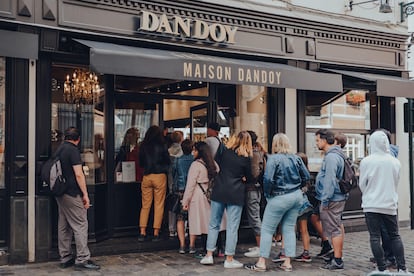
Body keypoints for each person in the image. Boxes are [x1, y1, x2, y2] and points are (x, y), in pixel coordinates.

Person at [245, 133, 309, 272]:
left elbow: (268, 179)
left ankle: (261, 263)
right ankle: (287, 262)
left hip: (279, 197)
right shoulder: (296, 158)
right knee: (289, 229)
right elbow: (307, 176)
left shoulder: (273, 159)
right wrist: (299, 188)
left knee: (267, 229)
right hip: (296, 196)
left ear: (275, 144)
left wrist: (268, 194)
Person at [200, 131, 253, 269]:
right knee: (232, 226)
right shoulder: (246, 158)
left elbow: (216, 166)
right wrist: (243, 178)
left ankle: (209, 255)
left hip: (219, 190)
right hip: (235, 193)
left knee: (213, 223)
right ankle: (229, 258)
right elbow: (251, 178)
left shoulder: (224, 152)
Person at [360, 130, 410, 274]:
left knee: (374, 236)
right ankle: (402, 268)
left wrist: (369, 193)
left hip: (371, 203)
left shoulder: (367, 161)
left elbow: (362, 184)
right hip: (389, 203)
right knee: (395, 235)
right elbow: (396, 180)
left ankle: (382, 269)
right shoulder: (395, 162)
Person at [54, 127, 100, 270]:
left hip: (60, 192)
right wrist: (85, 194)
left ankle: (65, 257)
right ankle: (82, 259)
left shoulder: (59, 149)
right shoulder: (73, 150)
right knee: (80, 224)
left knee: (64, 225)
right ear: (78, 139)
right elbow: (79, 174)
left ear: (65, 137)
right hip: (72, 193)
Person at [182, 142, 225, 255]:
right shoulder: (213, 163)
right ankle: (220, 248)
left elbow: (190, 185)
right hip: (213, 194)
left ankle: (207, 249)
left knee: (204, 224)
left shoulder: (195, 165)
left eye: (194, 150)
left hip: (200, 194)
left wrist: (185, 201)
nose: (193, 152)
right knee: (215, 222)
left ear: (199, 151)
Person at [314, 129, 347, 270]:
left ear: (324, 140)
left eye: (317, 140)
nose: (316, 143)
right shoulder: (334, 154)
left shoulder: (332, 157)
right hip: (336, 197)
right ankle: (337, 256)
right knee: (336, 227)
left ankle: (338, 260)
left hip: (332, 198)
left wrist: (325, 200)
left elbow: (330, 180)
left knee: (334, 229)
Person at [367, 129, 399, 270]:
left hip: (380, 200)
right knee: (387, 232)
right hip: (387, 200)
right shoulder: (390, 155)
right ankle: (386, 257)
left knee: (386, 232)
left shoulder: (387, 155)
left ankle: (389, 258)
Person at [138, 125, 171, 242]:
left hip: (146, 176)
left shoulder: (143, 145)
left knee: (145, 205)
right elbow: (168, 160)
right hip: (159, 176)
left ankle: (142, 232)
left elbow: (141, 162)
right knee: (159, 205)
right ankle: (156, 232)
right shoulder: (162, 145)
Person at [243, 130, 266, 258]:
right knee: (254, 216)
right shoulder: (258, 152)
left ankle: (261, 247)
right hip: (255, 188)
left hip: (252, 188)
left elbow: (254, 173)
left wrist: (247, 177)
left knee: (254, 217)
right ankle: (260, 245)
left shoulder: (254, 154)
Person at [173, 139, 194, 253]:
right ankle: (191, 245)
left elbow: (173, 173)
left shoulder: (177, 160)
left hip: (181, 190)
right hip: (193, 190)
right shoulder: (194, 160)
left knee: (180, 218)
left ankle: (182, 245)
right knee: (192, 218)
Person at [294, 152, 314, 263]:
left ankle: (286, 252)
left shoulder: (296, 174)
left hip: (297, 204)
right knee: (304, 229)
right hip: (305, 204)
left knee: (289, 228)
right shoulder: (307, 174)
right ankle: (306, 252)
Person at [168, 131, 184, 238]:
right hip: (180, 181)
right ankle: (181, 229)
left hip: (170, 180)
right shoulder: (182, 152)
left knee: (172, 206)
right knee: (181, 207)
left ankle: (171, 228)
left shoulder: (168, 150)